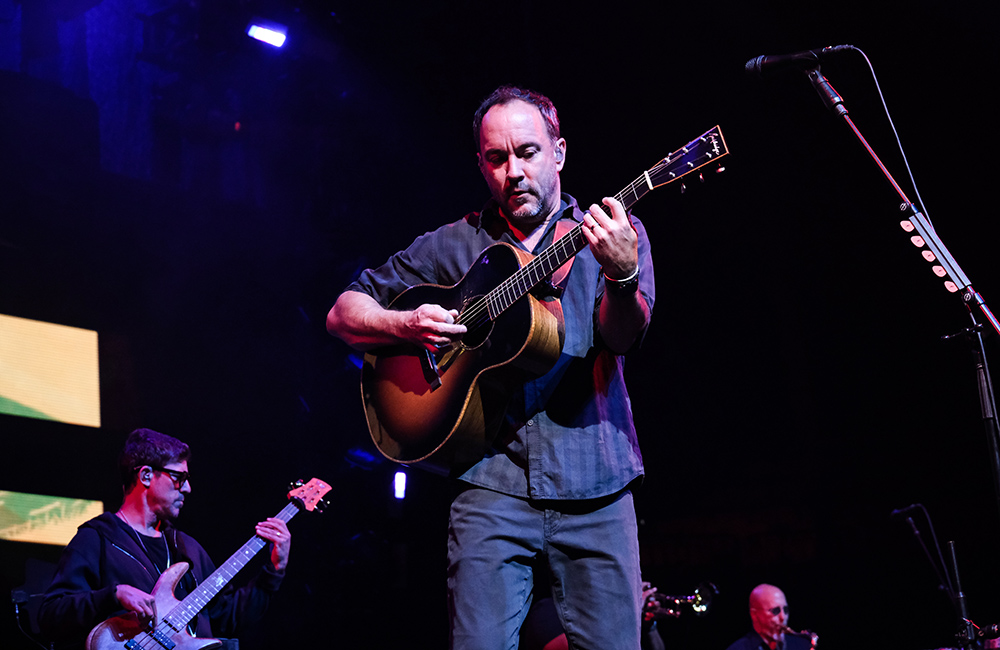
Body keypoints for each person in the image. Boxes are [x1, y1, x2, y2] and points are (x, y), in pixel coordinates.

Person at [327, 85, 655, 649]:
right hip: (488, 483)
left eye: (527, 152)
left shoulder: (613, 234)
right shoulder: (452, 244)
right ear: (481, 164)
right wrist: (404, 325)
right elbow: (343, 313)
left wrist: (622, 277)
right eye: (497, 158)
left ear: (559, 152)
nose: (514, 172)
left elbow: (624, 338)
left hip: (596, 480)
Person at [38, 428, 291, 649]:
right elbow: (51, 615)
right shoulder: (98, 539)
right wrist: (113, 595)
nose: (188, 488)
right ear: (146, 475)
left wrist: (274, 571)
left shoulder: (188, 549)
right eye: (179, 477)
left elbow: (227, 618)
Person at [724, 584, 812, 650]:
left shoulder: (802, 645)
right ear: (754, 615)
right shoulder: (738, 648)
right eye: (775, 611)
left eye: (785, 610)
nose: (783, 617)